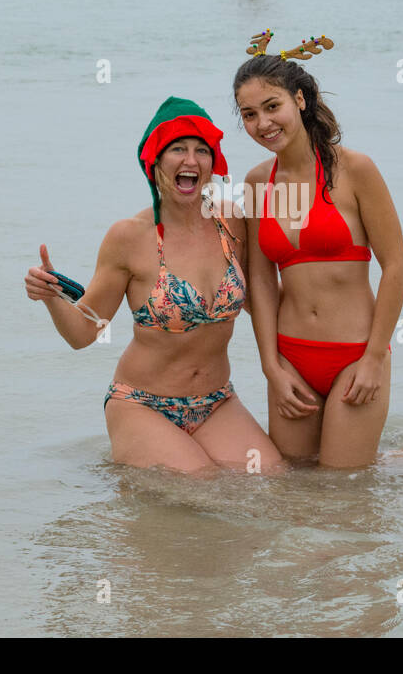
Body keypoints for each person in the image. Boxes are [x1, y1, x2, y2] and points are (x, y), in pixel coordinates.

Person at [24, 97, 283, 473]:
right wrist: (51, 297)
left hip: (217, 402)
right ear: (156, 161)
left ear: (213, 162)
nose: (191, 161)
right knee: (205, 488)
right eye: (178, 149)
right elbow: (84, 332)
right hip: (141, 404)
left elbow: (262, 300)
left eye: (201, 150)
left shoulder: (232, 222)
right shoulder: (129, 237)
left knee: (273, 479)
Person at [235, 31, 403, 468]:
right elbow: (259, 278)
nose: (263, 123)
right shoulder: (258, 182)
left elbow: (396, 266)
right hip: (291, 358)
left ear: (300, 100)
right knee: (294, 486)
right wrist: (270, 367)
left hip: (355, 354)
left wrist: (374, 358)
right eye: (249, 114)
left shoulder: (354, 170)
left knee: (343, 490)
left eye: (272, 106)